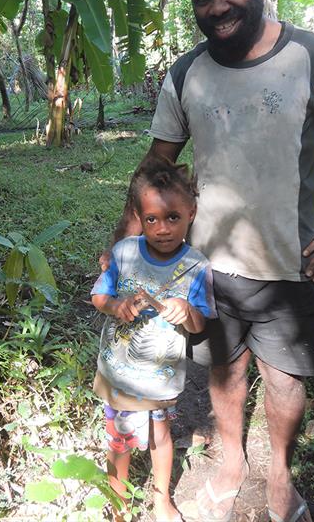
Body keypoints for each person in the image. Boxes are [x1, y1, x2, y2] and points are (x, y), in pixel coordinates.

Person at [101, 0, 314, 522]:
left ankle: (280, 473)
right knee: (224, 371)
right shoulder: (185, 74)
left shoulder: (313, 57)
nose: (216, 8)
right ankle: (232, 460)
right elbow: (157, 165)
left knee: (285, 379)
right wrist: (123, 246)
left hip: (289, 265)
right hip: (206, 266)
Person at [91, 158, 215, 522]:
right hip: (119, 374)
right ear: (138, 216)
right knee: (119, 442)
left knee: (161, 436)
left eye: (173, 217)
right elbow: (99, 297)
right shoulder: (124, 252)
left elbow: (199, 326)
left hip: (160, 381)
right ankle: (119, 505)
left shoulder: (197, 266)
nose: (162, 229)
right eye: (152, 219)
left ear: (191, 213)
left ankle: (162, 500)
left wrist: (185, 311)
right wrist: (117, 306)